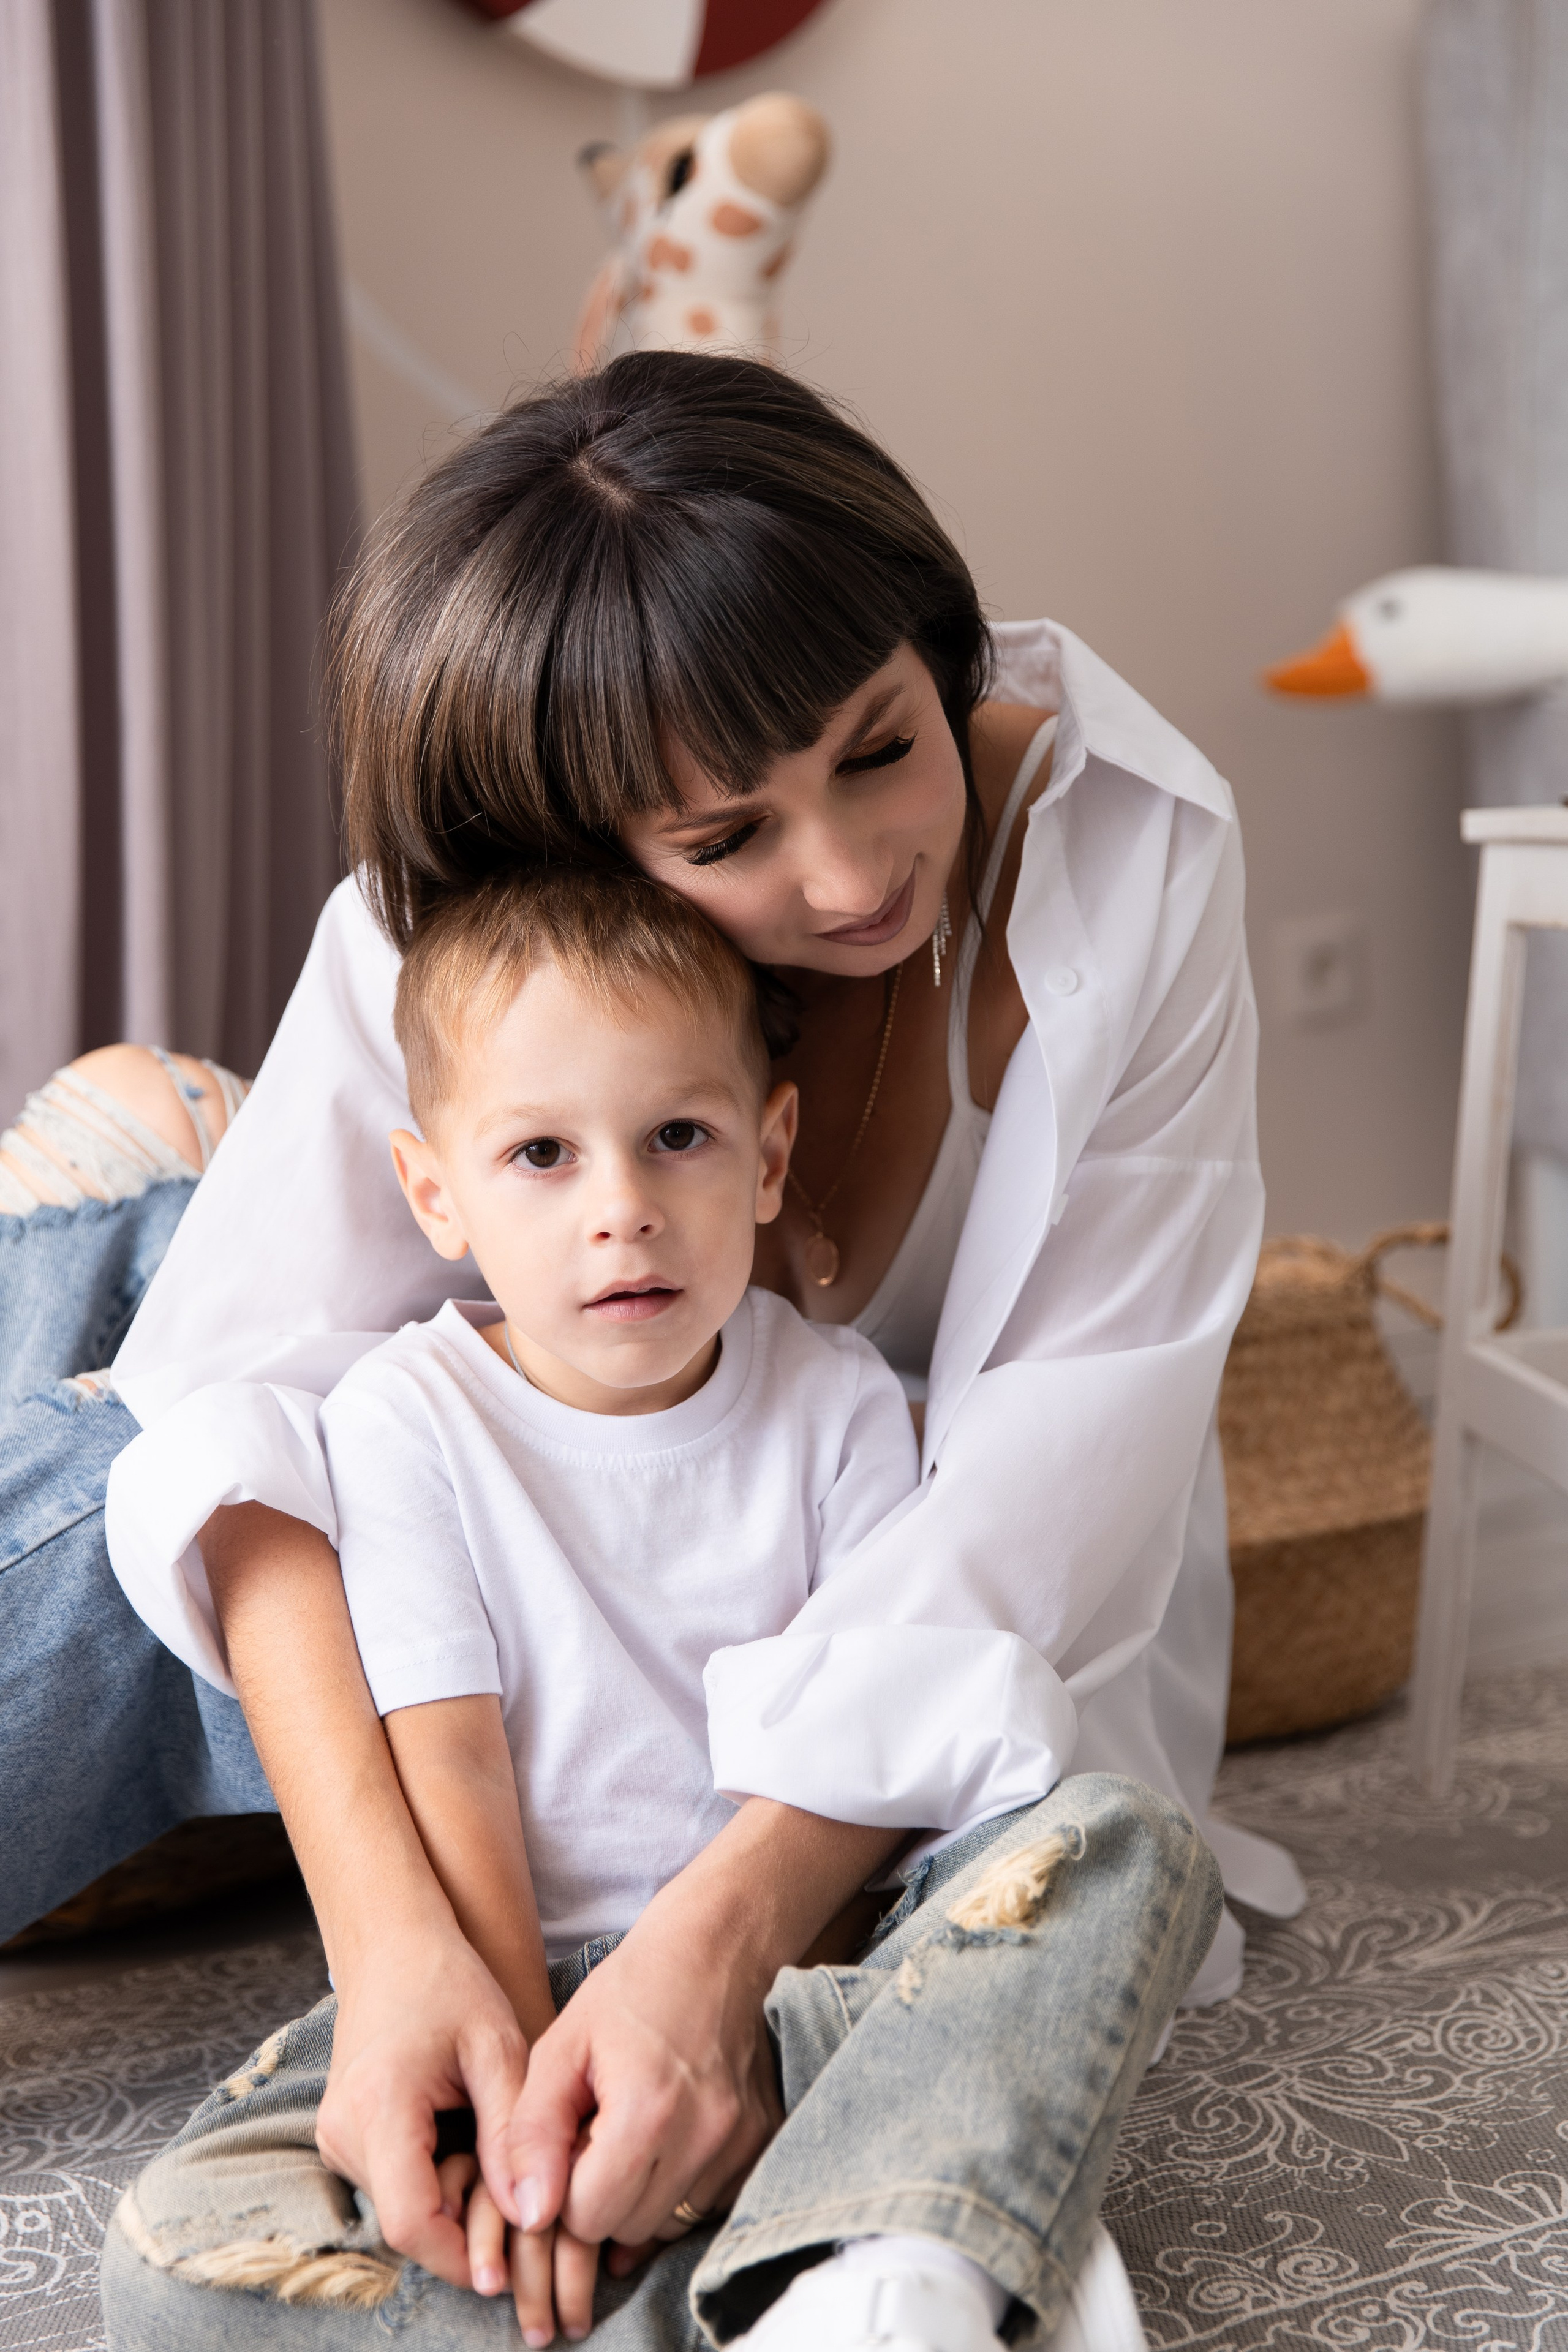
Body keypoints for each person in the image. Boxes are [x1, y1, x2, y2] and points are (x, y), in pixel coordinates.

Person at [0, 351, 1300, 2340]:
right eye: (729, 838)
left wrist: (712, 1953)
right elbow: (237, 1412)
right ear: (574, 849)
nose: (855, 876)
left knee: (1070, 1851)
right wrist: (401, 1952)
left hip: (839, 1673)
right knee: (103, 1500)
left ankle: (127, 1182)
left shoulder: (1133, 855)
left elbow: (1041, 1522)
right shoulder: (474, 913)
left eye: (884, 743)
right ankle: (124, 1190)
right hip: (488, 1557)